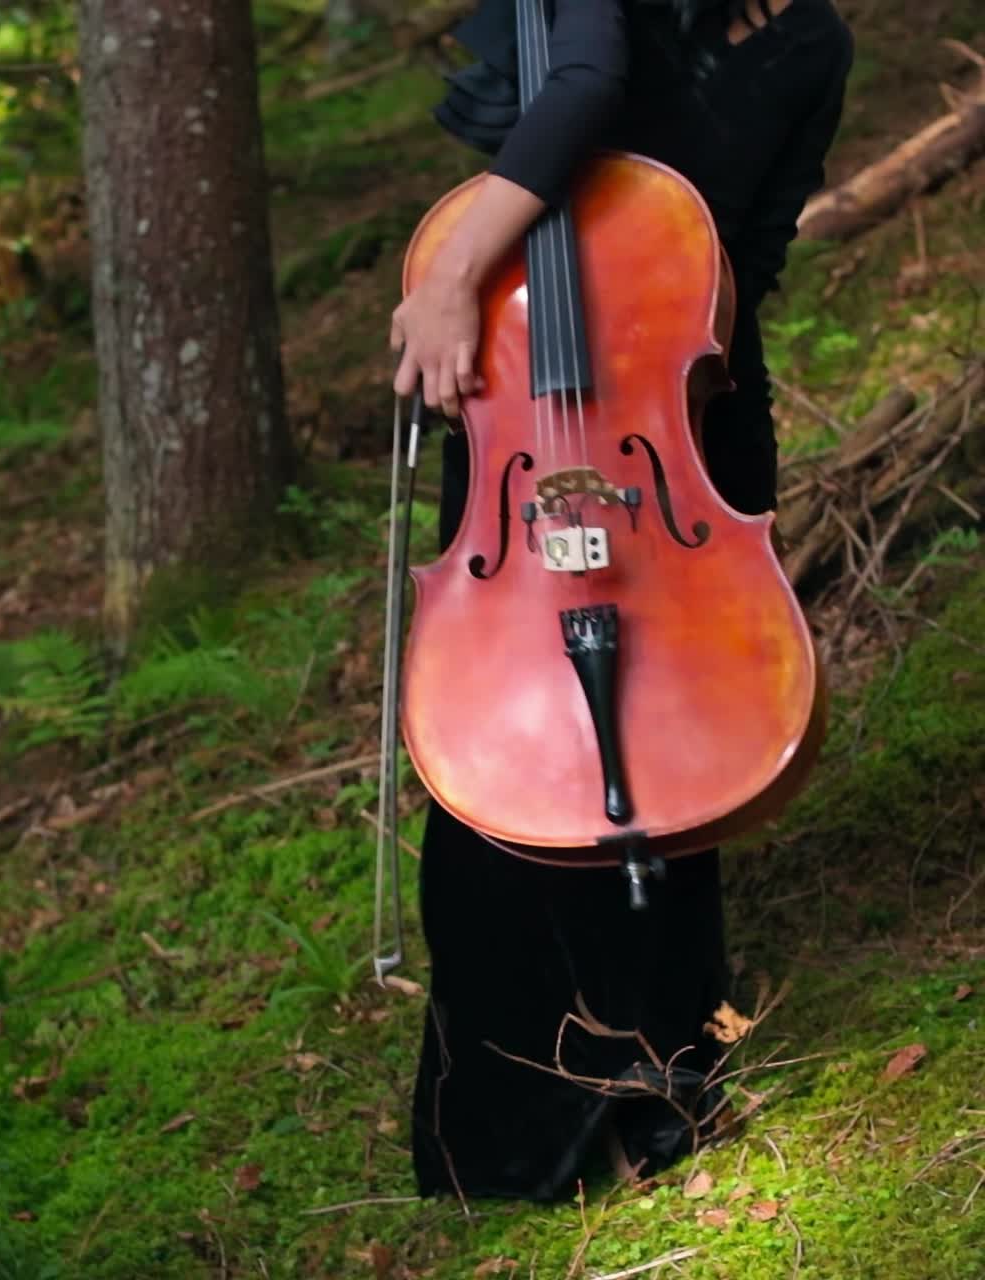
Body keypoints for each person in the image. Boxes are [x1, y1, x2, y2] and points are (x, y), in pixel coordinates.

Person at [388, 0, 853, 1200]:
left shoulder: (691, 30)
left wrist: (448, 272)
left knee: (544, 742)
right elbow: (748, 252)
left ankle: (536, 1118)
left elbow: (584, 82)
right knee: (663, 744)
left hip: (589, 412)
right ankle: (664, 1074)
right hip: (667, 416)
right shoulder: (812, 32)